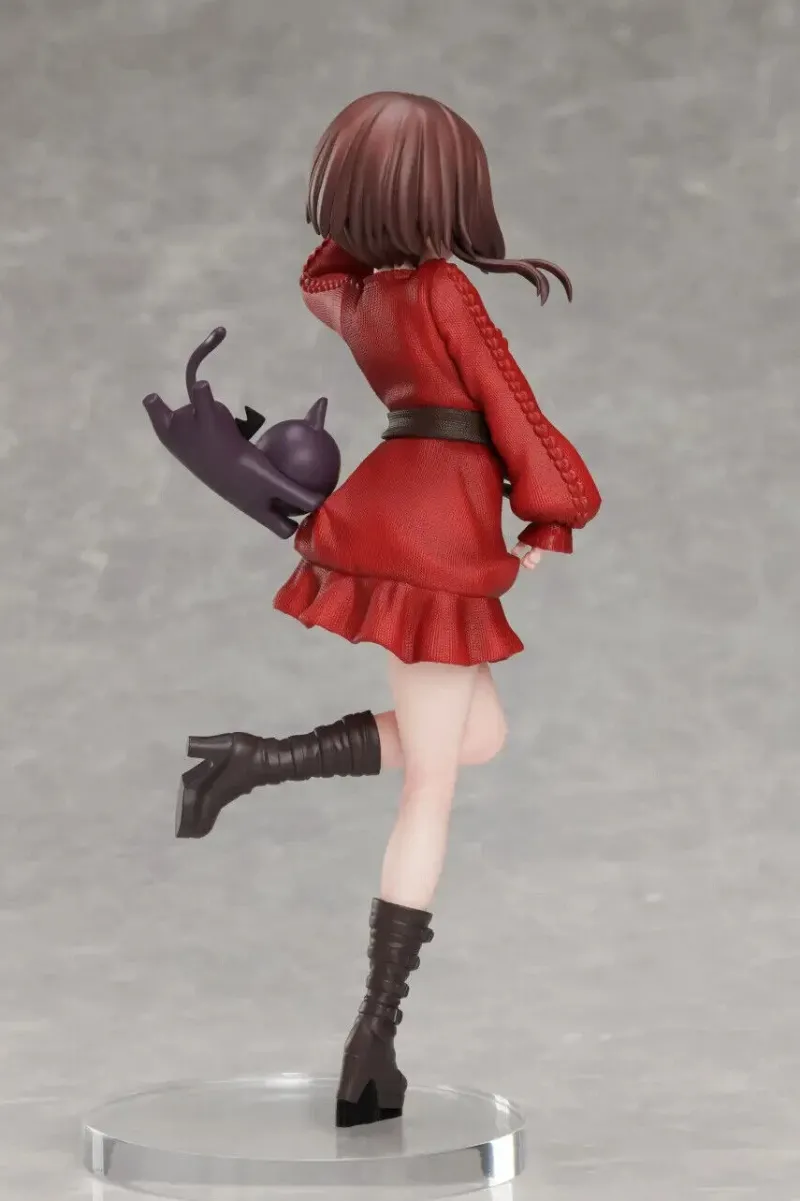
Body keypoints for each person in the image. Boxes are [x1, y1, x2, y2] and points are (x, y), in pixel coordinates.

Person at [175, 91, 602, 1127]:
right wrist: (557, 507)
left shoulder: (359, 297)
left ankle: (254, 760)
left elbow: (319, 275)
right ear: (447, 191)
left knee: (476, 735)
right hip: (437, 530)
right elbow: (507, 399)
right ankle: (373, 1043)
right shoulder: (443, 289)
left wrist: (357, 221)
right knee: (434, 786)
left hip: (388, 507)